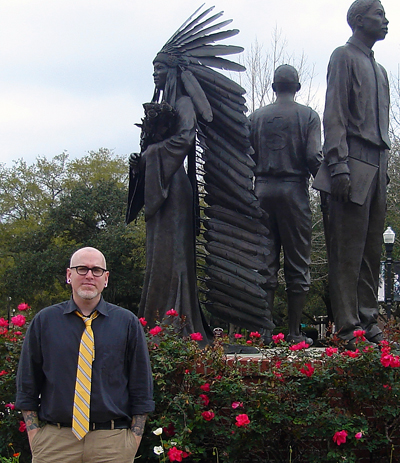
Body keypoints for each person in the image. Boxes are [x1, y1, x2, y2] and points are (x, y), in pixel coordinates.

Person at [15, 247, 154, 463]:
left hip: (112, 444)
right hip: (55, 443)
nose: (89, 275)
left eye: (96, 270)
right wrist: (35, 435)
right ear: (69, 275)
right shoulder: (45, 322)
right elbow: (27, 382)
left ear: (105, 278)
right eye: (82, 269)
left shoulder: (127, 323)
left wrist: (133, 440)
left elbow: (141, 386)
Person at [126, 54, 210, 340]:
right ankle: (155, 319)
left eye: (160, 67)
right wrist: (140, 162)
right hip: (157, 183)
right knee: (157, 254)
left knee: (172, 255)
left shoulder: (184, 103)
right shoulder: (167, 104)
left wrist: (151, 155)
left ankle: (175, 321)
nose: (155, 73)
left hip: (172, 186)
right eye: (153, 68)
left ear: (173, 71)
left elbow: (185, 138)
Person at [323, 0, 390, 347]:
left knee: (372, 250)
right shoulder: (343, 56)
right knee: (347, 250)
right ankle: (348, 327)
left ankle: (368, 319)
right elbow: (334, 113)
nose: (386, 19)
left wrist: (386, 173)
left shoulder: (380, 71)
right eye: (379, 14)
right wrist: (338, 164)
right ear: (359, 20)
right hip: (354, 157)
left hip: (379, 162)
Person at [249, 65, 322, 344]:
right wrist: (330, 187)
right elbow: (314, 155)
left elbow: (244, 157)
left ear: (273, 87)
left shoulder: (254, 118)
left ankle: (264, 332)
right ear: (298, 87)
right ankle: (293, 333)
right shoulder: (308, 116)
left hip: (262, 192)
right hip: (294, 192)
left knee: (265, 262)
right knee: (298, 262)